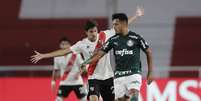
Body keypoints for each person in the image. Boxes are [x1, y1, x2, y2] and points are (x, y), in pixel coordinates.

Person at [31, 7, 144, 101]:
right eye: (91, 32)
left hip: (108, 77)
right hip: (93, 78)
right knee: (94, 98)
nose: (94, 34)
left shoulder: (105, 35)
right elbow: (64, 51)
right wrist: (44, 55)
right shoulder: (82, 44)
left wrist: (136, 15)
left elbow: (123, 25)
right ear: (86, 32)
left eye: (95, 31)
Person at [81, 13, 153, 101]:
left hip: (134, 73)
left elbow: (148, 52)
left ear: (123, 24)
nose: (114, 27)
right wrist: (85, 62)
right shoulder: (113, 40)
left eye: (116, 24)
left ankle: (129, 95)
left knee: (134, 95)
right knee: (121, 99)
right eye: (113, 24)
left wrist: (150, 72)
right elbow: (99, 55)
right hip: (119, 76)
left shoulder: (136, 38)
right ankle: (126, 96)